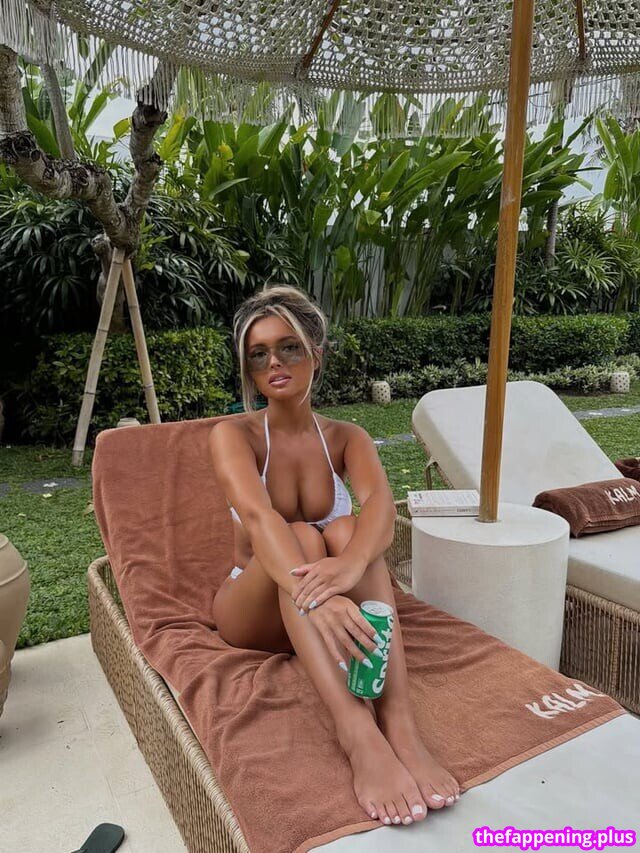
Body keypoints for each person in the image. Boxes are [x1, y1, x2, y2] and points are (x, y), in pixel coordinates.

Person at [210, 284, 460, 828]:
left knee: (349, 532)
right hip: (253, 611)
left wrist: (346, 568)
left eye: (288, 347)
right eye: (258, 354)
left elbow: (382, 508)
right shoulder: (234, 435)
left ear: (315, 354)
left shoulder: (347, 437)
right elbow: (259, 518)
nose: (274, 363)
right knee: (300, 535)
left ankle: (399, 722)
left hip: (326, 611)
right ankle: (358, 734)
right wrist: (317, 595)